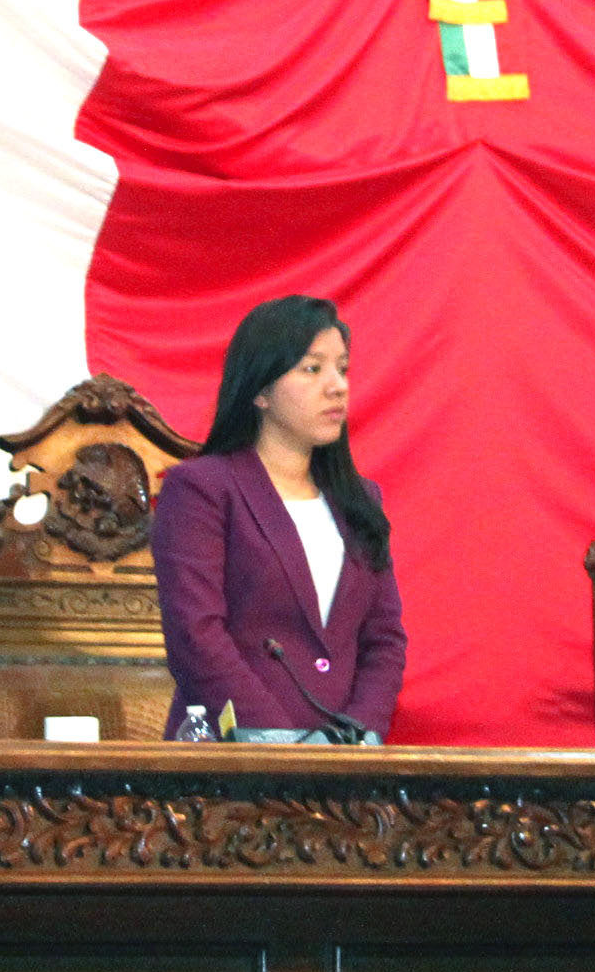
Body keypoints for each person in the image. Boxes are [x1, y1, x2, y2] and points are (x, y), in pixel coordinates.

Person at [152, 295, 407, 741]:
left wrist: (358, 734)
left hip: (346, 761)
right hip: (232, 757)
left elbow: (384, 640)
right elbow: (197, 635)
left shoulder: (361, 499)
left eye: (342, 369)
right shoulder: (201, 489)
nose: (338, 386)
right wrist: (279, 743)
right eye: (312, 369)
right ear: (260, 390)